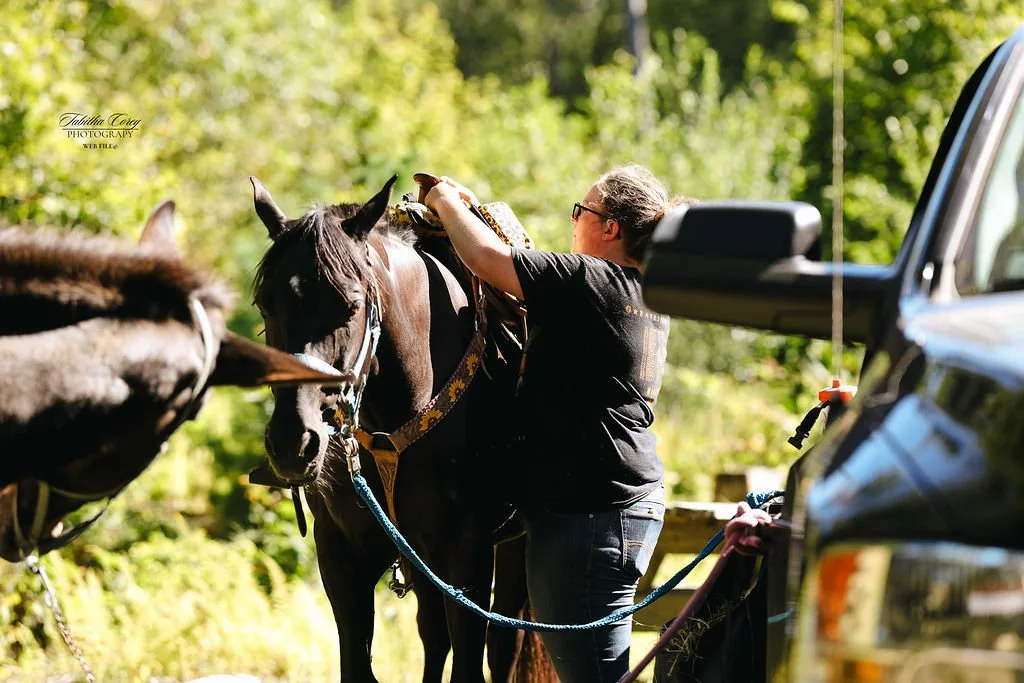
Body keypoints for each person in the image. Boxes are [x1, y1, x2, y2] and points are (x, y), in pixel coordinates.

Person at [422, 164, 688, 682]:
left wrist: (445, 201)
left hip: (588, 521)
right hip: (619, 508)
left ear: (609, 227)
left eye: (581, 211)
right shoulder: (644, 294)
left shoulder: (590, 280)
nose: (574, 222)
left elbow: (485, 259)